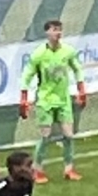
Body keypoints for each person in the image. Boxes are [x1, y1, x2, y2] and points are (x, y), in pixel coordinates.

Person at [20, 19, 86, 184]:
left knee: (69, 135)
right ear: (47, 32)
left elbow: (77, 69)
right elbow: (26, 75)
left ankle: (69, 169)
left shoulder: (67, 51)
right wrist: (23, 99)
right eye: (54, 29)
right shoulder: (39, 54)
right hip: (45, 101)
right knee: (45, 136)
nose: (58, 33)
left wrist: (82, 91)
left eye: (60, 29)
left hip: (63, 100)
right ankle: (37, 170)